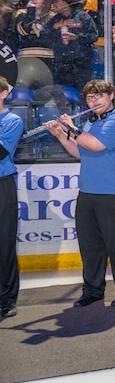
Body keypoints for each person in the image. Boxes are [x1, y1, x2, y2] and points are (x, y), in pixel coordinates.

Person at [45, 80, 115, 308]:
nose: (93, 101)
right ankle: (93, 290)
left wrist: (71, 128)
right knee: (90, 245)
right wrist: (60, 134)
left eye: (98, 96)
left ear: (110, 96)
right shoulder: (91, 122)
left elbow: (95, 145)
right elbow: (81, 151)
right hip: (89, 191)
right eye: (89, 98)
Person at [0, 76, 23, 318]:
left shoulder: (12, 120)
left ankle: (7, 298)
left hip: (2, 184)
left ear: (3, 94)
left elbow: (1, 152)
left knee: (4, 243)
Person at [47, 0, 97, 91]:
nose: (54, 4)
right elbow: (45, 38)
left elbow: (93, 36)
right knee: (65, 92)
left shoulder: (83, 17)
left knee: (84, 91)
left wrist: (76, 37)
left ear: (66, 3)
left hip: (82, 62)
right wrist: (55, 27)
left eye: (56, 1)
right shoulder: (54, 20)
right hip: (62, 63)